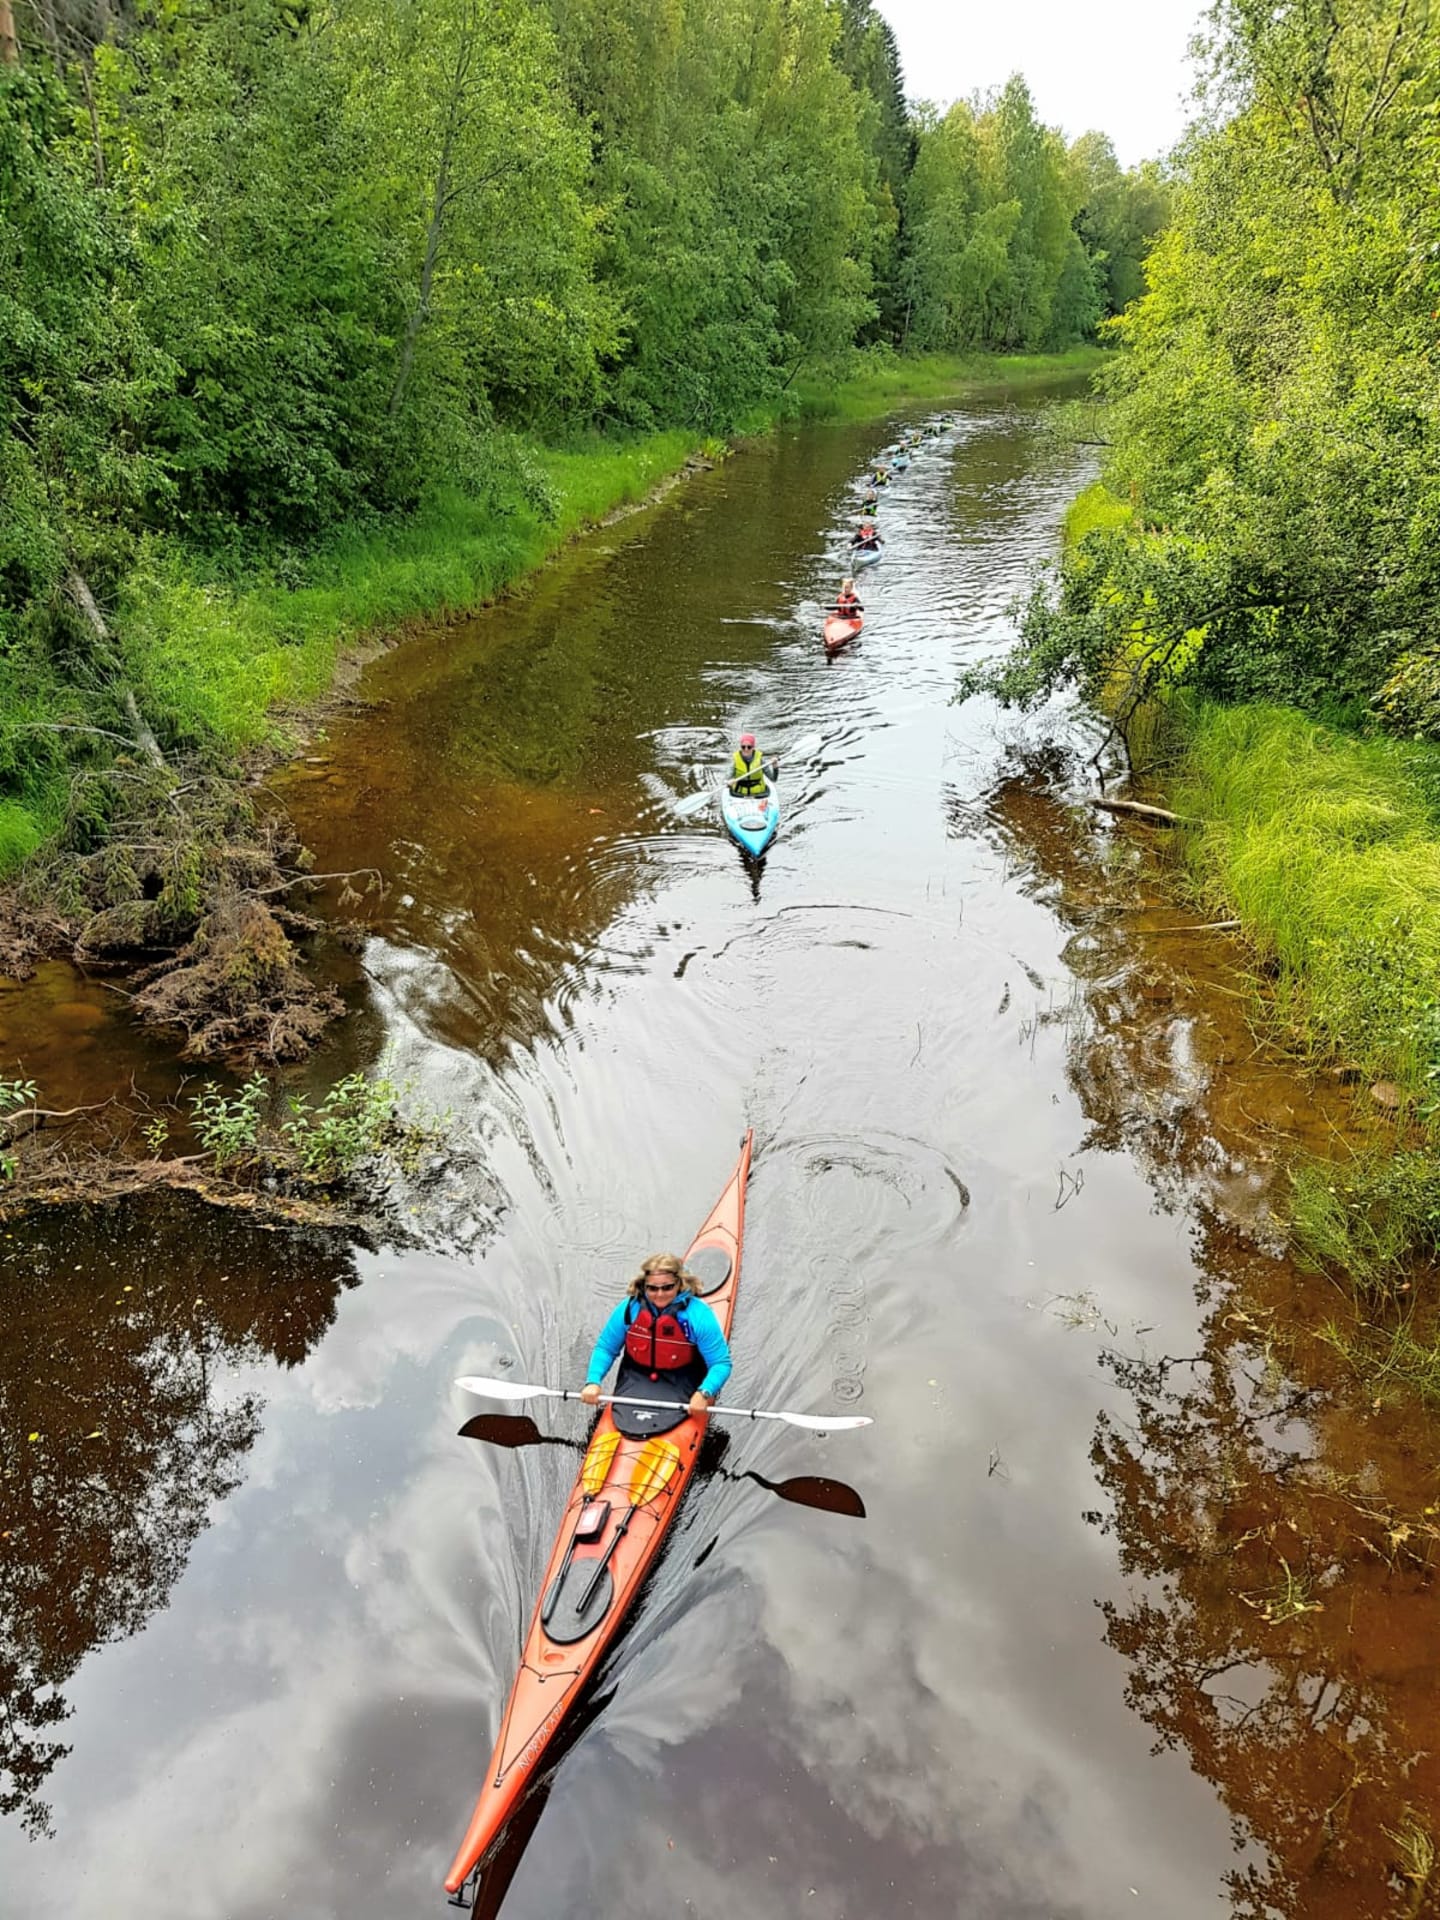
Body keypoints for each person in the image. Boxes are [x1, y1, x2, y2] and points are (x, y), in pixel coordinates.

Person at [579, 1253, 733, 1419]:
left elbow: (720, 1363)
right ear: (644, 1286)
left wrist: (704, 1393)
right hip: (636, 1376)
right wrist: (593, 1381)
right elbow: (606, 1348)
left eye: (667, 1287)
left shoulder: (699, 1315)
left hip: (683, 1378)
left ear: (680, 1284)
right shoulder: (628, 1309)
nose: (659, 1294)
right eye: (652, 1288)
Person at [729, 731, 768, 796]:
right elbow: (725, 778)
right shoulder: (735, 760)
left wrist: (775, 767)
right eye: (743, 747)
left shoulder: (761, 760)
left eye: (749, 747)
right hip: (738, 794)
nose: (746, 749)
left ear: (753, 747)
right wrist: (728, 782)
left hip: (759, 794)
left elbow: (774, 779)